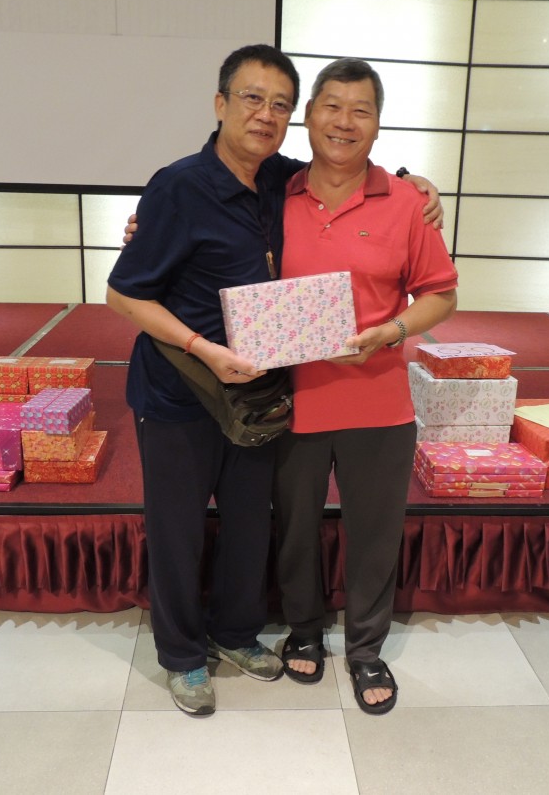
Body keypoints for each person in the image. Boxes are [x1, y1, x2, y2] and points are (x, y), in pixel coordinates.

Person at [106, 44, 441, 717]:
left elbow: (350, 166)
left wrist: (416, 183)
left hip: (258, 392)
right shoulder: (178, 185)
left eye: (279, 103)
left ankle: (235, 634)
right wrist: (203, 348)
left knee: (248, 525)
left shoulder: (277, 179)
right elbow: (122, 294)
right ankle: (182, 655)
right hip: (182, 388)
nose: (265, 114)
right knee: (176, 529)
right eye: (252, 98)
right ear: (220, 103)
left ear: (294, 116)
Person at [274, 58, 457, 715]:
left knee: (375, 532)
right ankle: (303, 628)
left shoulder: (407, 203)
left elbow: (441, 294)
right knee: (293, 527)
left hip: (378, 398)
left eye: (361, 110)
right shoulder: (274, 194)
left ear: (378, 125)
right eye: (331, 105)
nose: (344, 122)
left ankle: (366, 647)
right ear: (308, 115)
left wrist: (394, 330)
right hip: (289, 398)